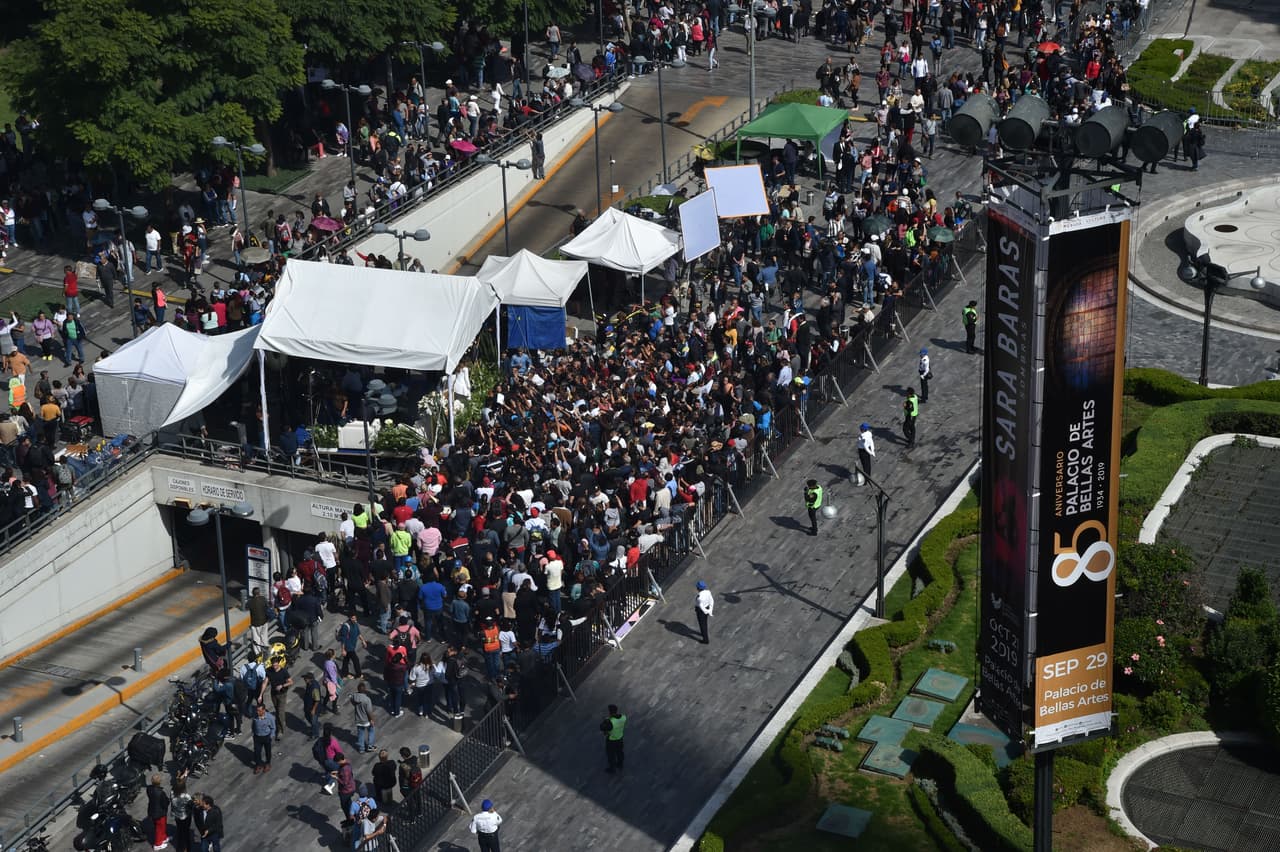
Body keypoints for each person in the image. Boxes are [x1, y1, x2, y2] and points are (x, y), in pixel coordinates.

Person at [337, 611, 367, 678]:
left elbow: (358, 633)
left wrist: (363, 641)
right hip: (348, 646)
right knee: (355, 660)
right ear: (350, 618)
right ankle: (358, 674)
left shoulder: (355, 624)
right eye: (353, 618)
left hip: (352, 645)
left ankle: (344, 673)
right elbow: (343, 639)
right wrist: (343, 650)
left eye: (355, 618)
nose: (355, 619)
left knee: (346, 659)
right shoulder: (346, 626)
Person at [169, 776, 194, 852]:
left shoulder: (172, 792)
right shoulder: (186, 796)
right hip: (185, 816)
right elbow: (191, 805)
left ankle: (180, 847)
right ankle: (186, 848)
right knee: (186, 833)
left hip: (176, 815)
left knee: (180, 830)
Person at [351, 679, 377, 752]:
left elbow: (352, 700)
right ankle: (370, 746)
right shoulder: (367, 699)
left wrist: (355, 705)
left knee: (360, 735)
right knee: (371, 731)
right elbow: (369, 711)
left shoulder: (354, 696)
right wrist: (372, 720)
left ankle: (361, 749)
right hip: (366, 720)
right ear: (365, 690)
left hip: (358, 720)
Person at [250, 703, 277, 774]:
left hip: (266, 737)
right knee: (257, 752)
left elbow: (273, 727)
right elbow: (253, 725)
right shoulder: (255, 716)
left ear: (264, 710)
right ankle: (258, 764)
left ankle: (268, 763)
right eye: (257, 711)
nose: (257, 712)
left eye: (259, 711)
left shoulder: (270, 717)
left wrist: (271, 736)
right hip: (257, 737)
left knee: (268, 751)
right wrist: (253, 733)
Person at [146, 773, 170, 850]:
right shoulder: (160, 793)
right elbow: (165, 803)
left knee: (159, 827)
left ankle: (163, 838)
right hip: (160, 813)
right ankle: (158, 844)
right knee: (160, 828)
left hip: (152, 811)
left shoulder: (149, 789)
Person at [601, 704, 626, 773]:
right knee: (620, 752)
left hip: (611, 740)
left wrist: (605, 721)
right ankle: (620, 764)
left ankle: (612, 768)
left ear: (610, 712)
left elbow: (602, 728)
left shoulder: (610, 721)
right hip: (620, 738)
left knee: (611, 755)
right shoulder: (623, 717)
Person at [302, 671, 324, 738]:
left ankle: (315, 734)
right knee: (307, 716)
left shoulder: (314, 687)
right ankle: (317, 725)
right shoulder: (309, 684)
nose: (304, 679)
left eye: (305, 678)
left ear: (310, 679)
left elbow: (317, 700)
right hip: (308, 705)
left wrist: (313, 709)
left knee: (313, 721)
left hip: (313, 707)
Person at [694, 580, 714, 644]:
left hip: (701, 611)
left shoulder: (699, 597)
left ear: (698, 588)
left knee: (702, 625)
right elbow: (712, 600)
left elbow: (701, 606)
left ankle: (705, 640)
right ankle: (703, 634)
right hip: (707, 607)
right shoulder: (708, 592)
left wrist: (705, 611)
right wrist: (710, 610)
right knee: (705, 622)